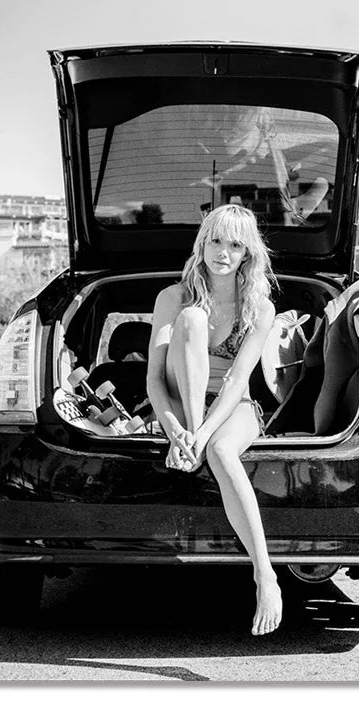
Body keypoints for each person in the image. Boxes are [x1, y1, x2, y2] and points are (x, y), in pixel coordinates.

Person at [146, 204, 282, 636]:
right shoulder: (173, 299)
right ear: (202, 243)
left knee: (223, 451)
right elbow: (154, 379)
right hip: (181, 404)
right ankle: (194, 438)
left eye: (235, 245)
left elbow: (239, 380)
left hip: (232, 405)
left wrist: (201, 437)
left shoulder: (260, 308)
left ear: (248, 254)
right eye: (216, 241)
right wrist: (177, 430)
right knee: (192, 318)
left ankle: (265, 575)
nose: (223, 252)